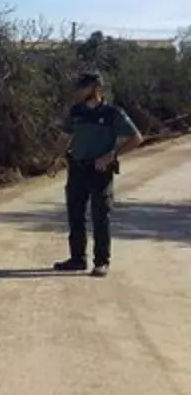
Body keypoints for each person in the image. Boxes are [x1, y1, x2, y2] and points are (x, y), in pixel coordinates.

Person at [49, 70, 143, 277]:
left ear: (96, 88)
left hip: (100, 171)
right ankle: (77, 259)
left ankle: (101, 262)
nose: (79, 91)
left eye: (83, 87)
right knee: (75, 215)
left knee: (100, 216)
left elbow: (136, 138)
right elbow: (65, 137)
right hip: (77, 169)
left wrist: (112, 155)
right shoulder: (76, 112)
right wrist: (56, 159)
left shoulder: (112, 113)